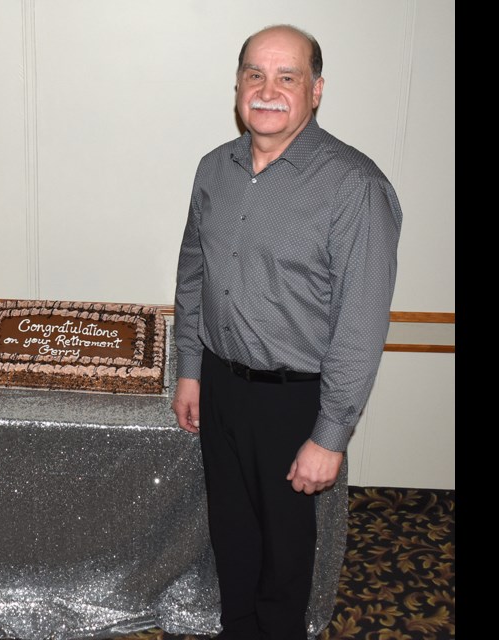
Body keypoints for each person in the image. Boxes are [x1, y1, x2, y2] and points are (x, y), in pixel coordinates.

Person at [171, 25, 401, 640]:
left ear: (317, 90)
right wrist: (189, 369)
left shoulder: (356, 187)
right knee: (233, 534)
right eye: (254, 75)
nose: (267, 90)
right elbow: (193, 272)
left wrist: (330, 436)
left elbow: (361, 324)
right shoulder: (212, 169)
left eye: (287, 77)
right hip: (220, 384)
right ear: (238, 86)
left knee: (285, 553)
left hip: (296, 399)